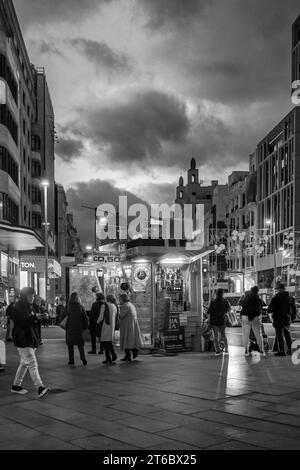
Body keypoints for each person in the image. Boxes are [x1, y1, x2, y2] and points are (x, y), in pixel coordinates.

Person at [10, 287, 49, 398]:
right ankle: (40, 387)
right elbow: (21, 323)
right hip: (23, 339)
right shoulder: (18, 307)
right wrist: (33, 317)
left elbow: (36, 319)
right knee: (32, 363)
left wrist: (44, 317)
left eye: (33, 296)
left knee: (24, 364)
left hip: (31, 339)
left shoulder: (33, 306)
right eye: (30, 296)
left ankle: (16, 386)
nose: (32, 298)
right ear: (24, 296)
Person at [268, 283, 296, 356]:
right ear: (284, 289)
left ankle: (282, 350)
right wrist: (292, 318)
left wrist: (270, 310)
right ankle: (290, 350)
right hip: (287, 319)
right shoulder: (290, 298)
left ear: (278, 290)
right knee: (287, 334)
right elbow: (294, 309)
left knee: (280, 335)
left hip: (278, 319)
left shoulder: (275, 298)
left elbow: (270, 309)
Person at [62, 292, 89, 366]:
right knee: (80, 345)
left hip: (70, 329)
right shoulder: (81, 307)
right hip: (79, 329)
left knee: (70, 345)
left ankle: (71, 360)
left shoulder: (68, 307)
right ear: (78, 298)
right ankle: (83, 358)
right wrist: (85, 327)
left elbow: (63, 317)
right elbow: (85, 318)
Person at [240, 286, 265, 356]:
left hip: (245, 316)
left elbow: (242, 305)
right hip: (255, 317)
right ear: (257, 291)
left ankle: (246, 350)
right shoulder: (258, 299)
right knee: (258, 334)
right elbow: (261, 308)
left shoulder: (246, 298)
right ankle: (261, 350)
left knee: (246, 334)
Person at [119, 294, 143, 361]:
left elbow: (121, 315)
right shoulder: (130, 304)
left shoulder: (126, 306)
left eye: (120, 299)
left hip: (128, 325)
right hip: (130, 324)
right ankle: (128, 355)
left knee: (127, 339)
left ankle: (134, 352)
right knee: (129, 339)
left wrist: (117, 310)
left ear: (123, 299)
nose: (119, 300)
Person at [207, 289, 230, 356]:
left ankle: (217, 351)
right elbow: (229, 310)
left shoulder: (213, 301)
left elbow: (209, 312)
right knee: (223, 335)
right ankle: (226, 349)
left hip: (214, 321)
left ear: (216, 294)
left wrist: (209, 321)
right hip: (222, 321)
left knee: (216, 336)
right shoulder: (225, 301)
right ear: (222, 293)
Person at [97, 294, 118, 364]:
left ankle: (108, 358)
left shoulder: (104, 305)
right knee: (108, 341)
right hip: (112, 325)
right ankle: (113, 354)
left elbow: (101, 315)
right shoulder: (114, 306)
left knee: (104, 341)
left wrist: (97, 322)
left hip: (105, 325)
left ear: (107, 299)